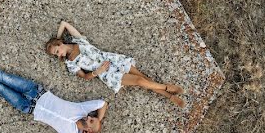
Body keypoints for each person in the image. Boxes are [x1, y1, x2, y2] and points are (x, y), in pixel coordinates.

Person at [45, 20, 186, 107]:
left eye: (57, 51)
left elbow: (64, 24)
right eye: (56, 54)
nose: (59, 55)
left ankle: (171, 97)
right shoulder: (70, 63)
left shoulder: (78, 41)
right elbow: (84, 77)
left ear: (60, 43)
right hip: (107, 73)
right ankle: (168, 87)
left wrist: (57, 38)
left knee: (144, 79)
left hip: (112, 59)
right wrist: (96, 72)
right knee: (139, 81)